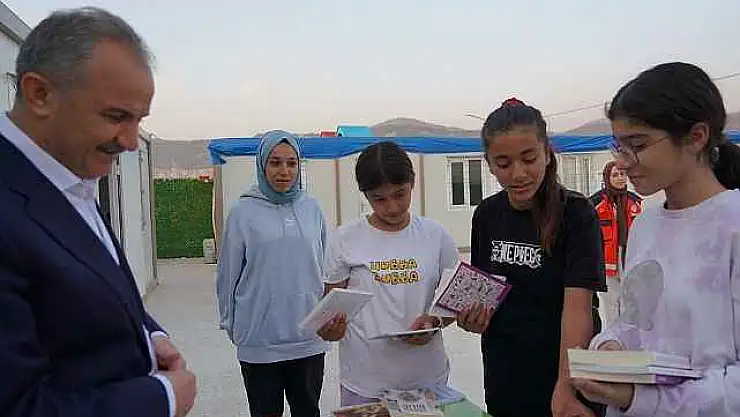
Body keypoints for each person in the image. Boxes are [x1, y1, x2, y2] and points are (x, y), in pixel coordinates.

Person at [0, 7, 196, 417]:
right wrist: (162, 398)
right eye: (115, 117)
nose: (130, 142)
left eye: (138, 120)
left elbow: (91, 292)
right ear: (39, 94)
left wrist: (149, 335)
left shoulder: (69, 172)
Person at [571, 63, 740, 416]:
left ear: (696, 136)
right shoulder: (645, 225)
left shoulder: (732, 225)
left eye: (637, 145)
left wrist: (643, 399)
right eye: (619, 147)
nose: (623, 162)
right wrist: (611, 346)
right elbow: (634, 322)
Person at [456, 98, 607, 417]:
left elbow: (578, 309)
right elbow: (485, 293)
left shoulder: (577, 214)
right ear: (489, 163)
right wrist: (473, 318)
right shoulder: (487, 215)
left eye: (529, 159)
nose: (518, 173)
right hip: (505, 376)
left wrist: (566, 387)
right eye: (503, 164)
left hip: (567, 375)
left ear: (547, 153)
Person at [317, 141, 459, 406]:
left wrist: (434, 322)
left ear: (412, 183)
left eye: (400, 194)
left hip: (427, 380)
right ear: (365, 194)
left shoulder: (436, 236)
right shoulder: (345, 239)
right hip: (365, 383)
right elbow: (330, 313)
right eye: (379, 199)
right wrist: (331, 330)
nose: (392, 207)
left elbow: (453, 304)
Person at [216, 130, 330, 417]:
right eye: (275, 163)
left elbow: (324, 265)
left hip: (308, 338)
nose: (284, 171)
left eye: (291, 163)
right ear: (262, 165)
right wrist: (232, 324)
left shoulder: (312, 209)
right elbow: (228, 274)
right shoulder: (242, 212)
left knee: (308, 411)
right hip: (260, 339)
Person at [590, 161, 643, 326]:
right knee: (610, 303)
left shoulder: (635, 202)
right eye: (615, 175)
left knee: (629, 301)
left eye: (622, 174)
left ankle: (627, 335)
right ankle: (612, 335)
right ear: (607, 178)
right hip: (606, 260)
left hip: (630, 257)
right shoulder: (596, 203)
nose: (620, 178)